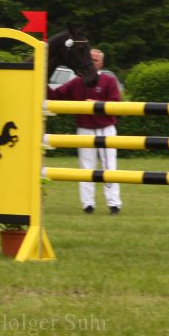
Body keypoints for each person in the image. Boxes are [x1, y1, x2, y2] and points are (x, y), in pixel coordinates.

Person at [48, 47, 123, 215]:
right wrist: (41, 82)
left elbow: (116, 104)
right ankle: (87, 205)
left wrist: (96, 103)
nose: (91, 63)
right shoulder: (76, 82)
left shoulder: (109, 80)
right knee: (85, 168)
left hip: (105, 129)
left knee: (109, 167)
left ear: (101, 63)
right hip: (84, 129)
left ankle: (114, 204)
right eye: (89, 59)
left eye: (95, 60)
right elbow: (55, 96)